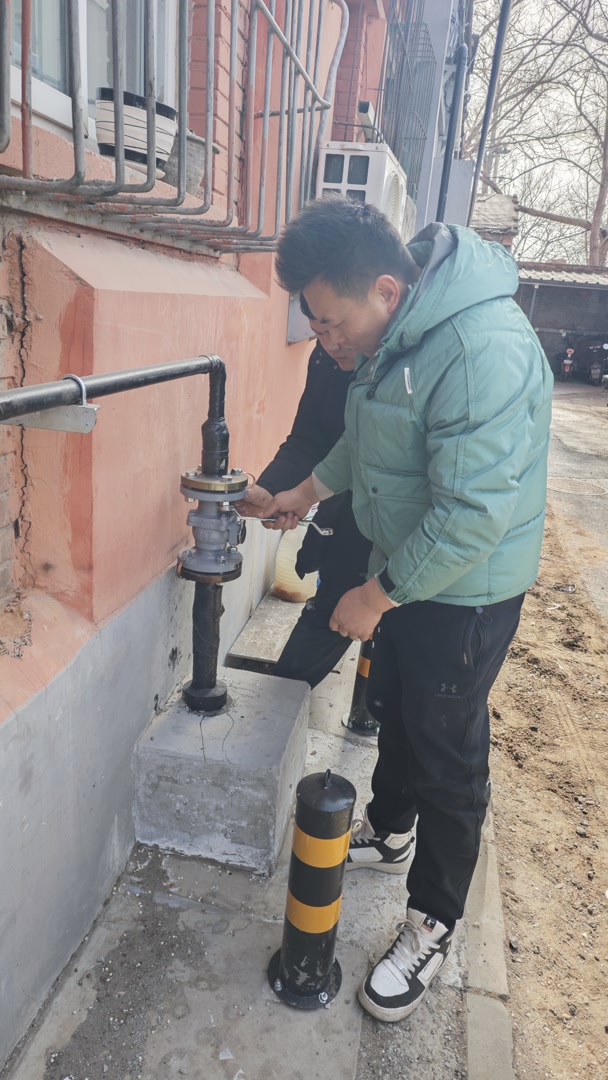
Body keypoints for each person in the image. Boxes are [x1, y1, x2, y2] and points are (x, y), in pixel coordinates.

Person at [261, 197, 553, 1023]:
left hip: (465, 592)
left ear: (385, 289)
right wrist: (302, 492)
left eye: (331, 322)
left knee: (448, 754)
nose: (326, 340)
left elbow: (472, 514)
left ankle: (433, 921)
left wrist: (376, 594)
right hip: (409, 571)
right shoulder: (397, 336)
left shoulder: (477, 349)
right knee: (394, 706)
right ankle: (390, 831)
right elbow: (367, 441)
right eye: (314, 324)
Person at [236, 313, 372, 689]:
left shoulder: (411, 365)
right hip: (346, 516)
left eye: (339, 327)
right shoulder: (328, 356)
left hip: (419, 546)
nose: (331, 342)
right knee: (326, 620)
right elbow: (311, 439)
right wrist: (273, 490)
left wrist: (376, 599)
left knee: (410, 686)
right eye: (318, 332)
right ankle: (278, 707)